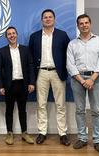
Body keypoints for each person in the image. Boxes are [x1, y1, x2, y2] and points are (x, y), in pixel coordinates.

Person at [29, 9, 70, 146]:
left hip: (57, 73)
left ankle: (63, 134)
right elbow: (30, 58)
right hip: (41, 73)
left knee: (61, 105)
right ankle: (42, 132)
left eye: (50, 17)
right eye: (45, 17)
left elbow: (68, 55)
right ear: (42, 20)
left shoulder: (62, 35)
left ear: (54, 19)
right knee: (41, 104)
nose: (47, 19)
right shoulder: (34, 36)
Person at [67, 14, 99, 153]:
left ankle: (97, 140)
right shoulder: (72, 44)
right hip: (78, 80)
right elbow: (70, 65)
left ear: (90, 24)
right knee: (80, 110)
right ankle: (82, 138)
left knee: (96, 110)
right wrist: (82, 80)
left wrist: (92, 79)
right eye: (81, 23)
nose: (84, 25)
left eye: (86, 23)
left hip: (95, 79)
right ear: (78, 26)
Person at [0, 27, 35, 145]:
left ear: (17, 35)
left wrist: (32, 83)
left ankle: (24, 133)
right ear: (6, 37)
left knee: (22, 110)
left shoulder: (25, 50)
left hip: (23, 84)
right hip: (9, 85)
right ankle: (9, 133)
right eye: (9, 34)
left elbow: (30, 67)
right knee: (9, 110)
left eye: (13, 33)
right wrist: (0, 86)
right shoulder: (1, 51)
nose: (11, 35)